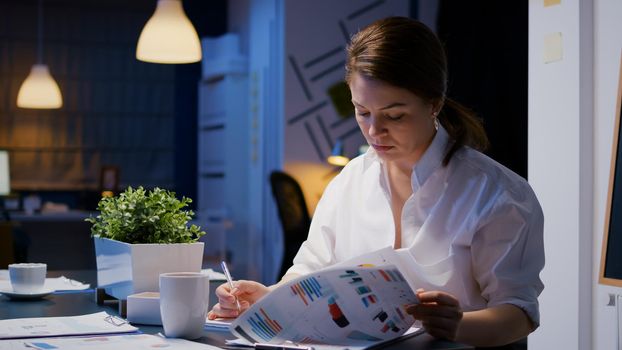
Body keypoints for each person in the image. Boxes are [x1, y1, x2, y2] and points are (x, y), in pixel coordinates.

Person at [208, 17, 544, 348]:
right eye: (362, 111)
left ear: (434, 103)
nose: (374, 131)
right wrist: (269, 301)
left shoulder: (497, 194)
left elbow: (520, 313)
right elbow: (309, 271)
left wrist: (459, 325)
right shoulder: (350, 181)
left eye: (394, 115)